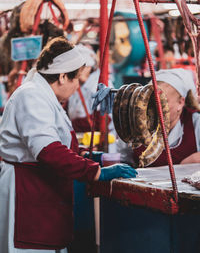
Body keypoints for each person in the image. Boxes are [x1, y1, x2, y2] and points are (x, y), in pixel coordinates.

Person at [0, 36, 137, 253]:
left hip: (43, 189)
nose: (77, 87)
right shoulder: (31, 96)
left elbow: (60, 145)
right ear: (63, 76)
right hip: (28, 191)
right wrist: (96, 172)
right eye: (77, 80)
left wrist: (94, 158)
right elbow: (48, 151)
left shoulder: (45, 96)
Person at [132, 68, 200, 166]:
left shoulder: (196, 123)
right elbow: (122, 160)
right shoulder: (136, 125)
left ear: (180, 103)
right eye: (150, 102)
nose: (154, 108)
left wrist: (191, 161)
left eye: (163, 102)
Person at [66, 43, 117, 153]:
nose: (78, 73)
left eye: (83, 68)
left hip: (101, 142)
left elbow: (104, 120)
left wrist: (73, 125)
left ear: (90, 67)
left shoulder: (100, 84)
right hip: (82, 141)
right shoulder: (75, 85)